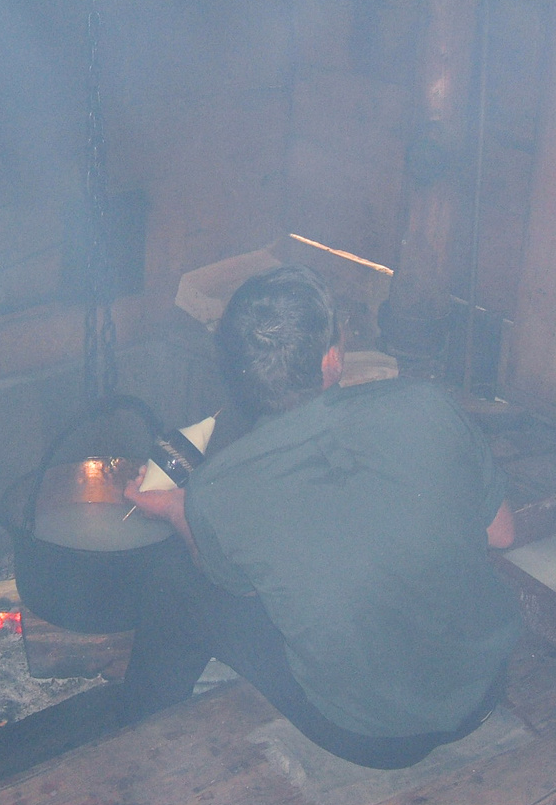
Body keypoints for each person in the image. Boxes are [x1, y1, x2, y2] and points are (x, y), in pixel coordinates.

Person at [122, 264, 521, 769]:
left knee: (175, 585)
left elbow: (236, 586)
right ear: (333, 357)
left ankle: (134, 740)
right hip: (484, 689)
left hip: (371, 736)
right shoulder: (426, 405)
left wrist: (180, 512)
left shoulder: (217, 490)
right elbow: (503, 534)